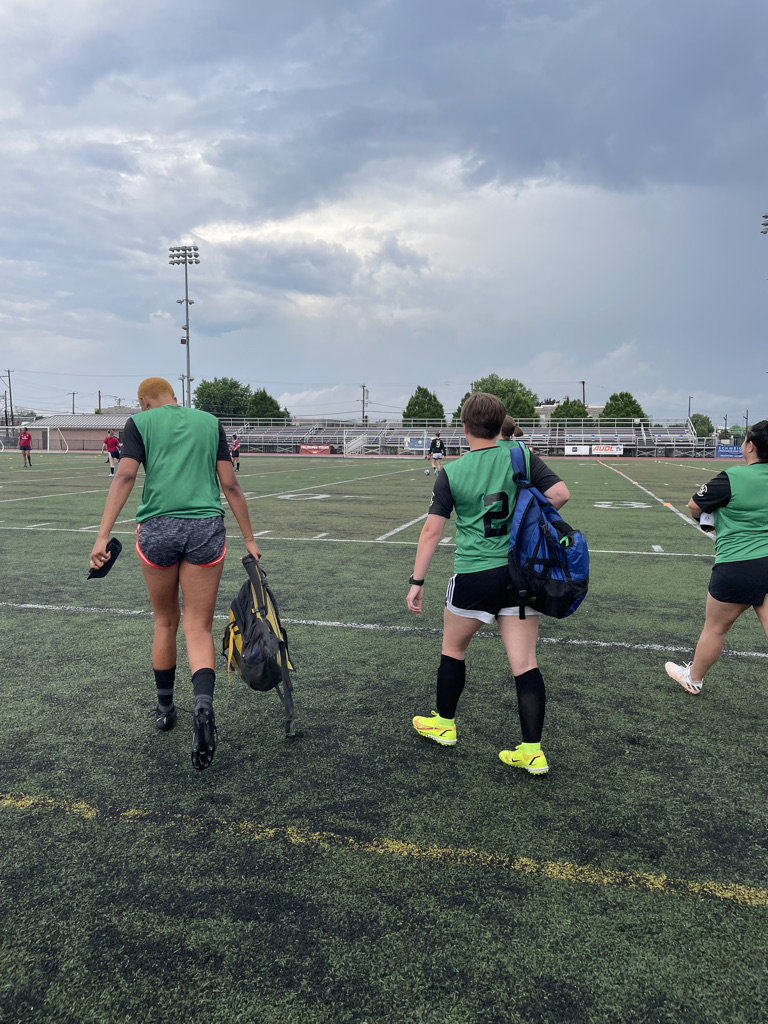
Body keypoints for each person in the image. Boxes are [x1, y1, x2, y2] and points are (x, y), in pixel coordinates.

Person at [88, 377, 263, 771]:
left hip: (158, 528)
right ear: (175, 397)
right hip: (205, 526)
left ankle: (166, 709)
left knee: (165, 622)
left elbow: (126, 476)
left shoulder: (140, 422)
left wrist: (102, 536)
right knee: (198, 628)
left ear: (144, 402)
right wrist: (249, 538)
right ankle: (202, 707)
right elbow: (230, 483)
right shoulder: (209, 422)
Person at [407, 392, 570, 774]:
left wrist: (417, 580)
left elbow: (432, 531)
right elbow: (559, 494)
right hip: (519, 574)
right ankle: (532, 750)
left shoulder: (452, 471)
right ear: (501, 425)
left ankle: (445, 725)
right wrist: (528, 524)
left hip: (474, 574)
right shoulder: (520, 455)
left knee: (453, 649)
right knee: (525, 663)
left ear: (463, 428)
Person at [665, 420, 768, 694]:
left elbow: (694, 506)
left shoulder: (733, 477)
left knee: (715, 628)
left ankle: (694, 678)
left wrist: (706, 520)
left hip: (737, 564)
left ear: (750, 446)